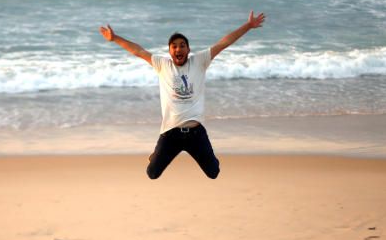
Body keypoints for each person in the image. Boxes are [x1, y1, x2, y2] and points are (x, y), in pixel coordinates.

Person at [99, 11, 266, 179]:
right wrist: (115, 38)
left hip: (196, 133)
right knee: (152, 173)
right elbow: (138, 51)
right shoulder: (162, 65)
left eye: (182, 45)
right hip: (171, 133)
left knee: (214, 173)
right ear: (170, 51)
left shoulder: (199, 61)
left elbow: (223, 43)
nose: (178, 49)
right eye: (174, 46)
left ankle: (208, 157)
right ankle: (156, 154)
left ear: (188, 49)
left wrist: (248, 26)